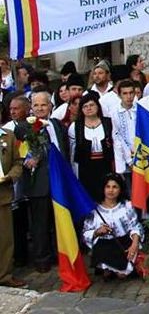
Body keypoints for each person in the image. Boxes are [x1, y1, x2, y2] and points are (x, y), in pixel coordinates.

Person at [18, 91, 70, 272]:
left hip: (59, 181)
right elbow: (24, 151)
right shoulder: (24, 127)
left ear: (51, 106)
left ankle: (60, 253)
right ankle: (42, 259)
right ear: (31, 108)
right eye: (36, 105)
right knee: (40, 224)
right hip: (38, 184)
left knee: (59, 220)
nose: (40, 108)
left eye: (44, 105)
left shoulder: (57, 125)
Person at [82, 174, 143, 280]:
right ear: (103, 189)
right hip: (104, 246)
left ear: (120, 190)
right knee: (109, 272)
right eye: (108, 187)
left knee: (122, 275)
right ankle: (106, 268)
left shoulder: (127, 206)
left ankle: (116, 269)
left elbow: (136, 226)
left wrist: (134, 244)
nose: (111, 190)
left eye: (115, 187)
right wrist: (97, 231)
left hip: (123, 244)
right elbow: (85, 233)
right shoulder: (95, 210)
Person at [70, 93, 124, 201]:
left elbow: (117, 145)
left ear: (98, 106)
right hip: (85, 168)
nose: (89, 108)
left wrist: (119, 169)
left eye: (91, 105)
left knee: (107, 195)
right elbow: (72, 152)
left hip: (105, 165)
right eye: (85, 106)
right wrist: (74, 174)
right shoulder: (75, 127)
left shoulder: (108, 123)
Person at [0, 106, 25, 287]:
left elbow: (18, 162)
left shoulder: (8, 135)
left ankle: (5, 275)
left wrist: (10, 177)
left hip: (3, 194)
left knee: (5, 239)